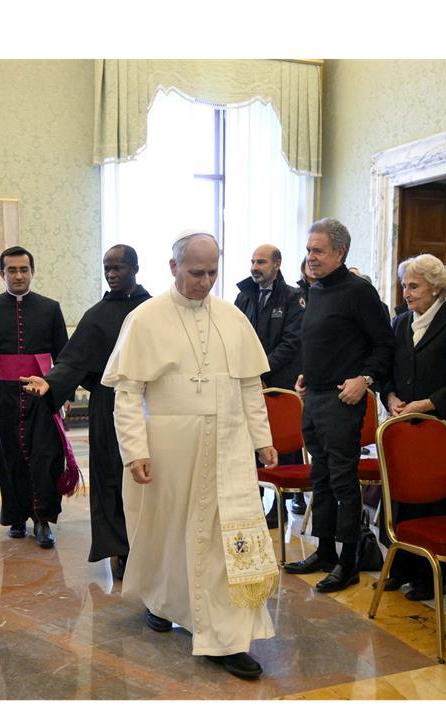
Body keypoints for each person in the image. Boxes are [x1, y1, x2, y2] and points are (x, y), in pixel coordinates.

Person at [102, 231, 279, 680]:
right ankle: (163, 602)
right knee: (168, 533)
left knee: (220, 541)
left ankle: (225, 637)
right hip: (170, 448)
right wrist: (134, 450)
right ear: (173, 267)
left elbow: (248, 386)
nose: (205, 282)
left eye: (213, 272)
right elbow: (128, 392)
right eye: (196, 272)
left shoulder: (232, 316)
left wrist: (263, 439)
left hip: (228, 446)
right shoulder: (145, 318)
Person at [21, 244, 151, 577]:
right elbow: (72, 360)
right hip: (108, 405)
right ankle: (119, 549)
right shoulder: (97, 315)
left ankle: (151, 546)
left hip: (152, 405)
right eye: (107, 267)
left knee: (150, 479)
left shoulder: (154, 310)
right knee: (110, 477)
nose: (112, 273)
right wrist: (51, 383)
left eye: (119, 267)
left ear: (136, 267)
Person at [283, 218, 395, 592]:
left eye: (318, 251)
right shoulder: (315, 291)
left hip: (343, 399)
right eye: (308, 250)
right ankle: (325, 550)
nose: (310, 258)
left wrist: (364, 380)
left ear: (340, 252)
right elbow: (318, 341)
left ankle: (349, 562)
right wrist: (305, 376)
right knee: (321, 479)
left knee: (344, 482)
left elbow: (384, 345)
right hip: (314, 396)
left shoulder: (359, 292)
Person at [381, 253, 446, 601]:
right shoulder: (400, 323)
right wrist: (391, 396)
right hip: (402, 428)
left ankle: (430, 578)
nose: (406, 293)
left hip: (438, 429)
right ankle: (403, 567)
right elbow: (389, 374)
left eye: (414, 286)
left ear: (436, 287)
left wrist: (428, 403)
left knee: (434, 501)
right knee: (402, 498)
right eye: (404, 286)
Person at [0, 246, 70, 548]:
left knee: (46, 457)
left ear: (32, 272)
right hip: (5, 395)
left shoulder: (50, 309)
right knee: (10, 455)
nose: (18, 275)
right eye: (12, 270)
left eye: (24, 269)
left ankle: (43, 520)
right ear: (2, 274)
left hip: (43, 391)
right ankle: (16, 515)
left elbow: (64, 355)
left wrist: (63, 392)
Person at [233, 243, 305, 524]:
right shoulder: (244, 297)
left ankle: (282, 504)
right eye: (252, 261)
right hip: (250, 383)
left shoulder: (293, 297)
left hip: (279, 382)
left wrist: (261, 371)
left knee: (282, 443)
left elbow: (292, 341)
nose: (254, 267)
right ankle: (253, 501)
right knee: (251, 443)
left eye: (261, 262)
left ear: (277, 264)